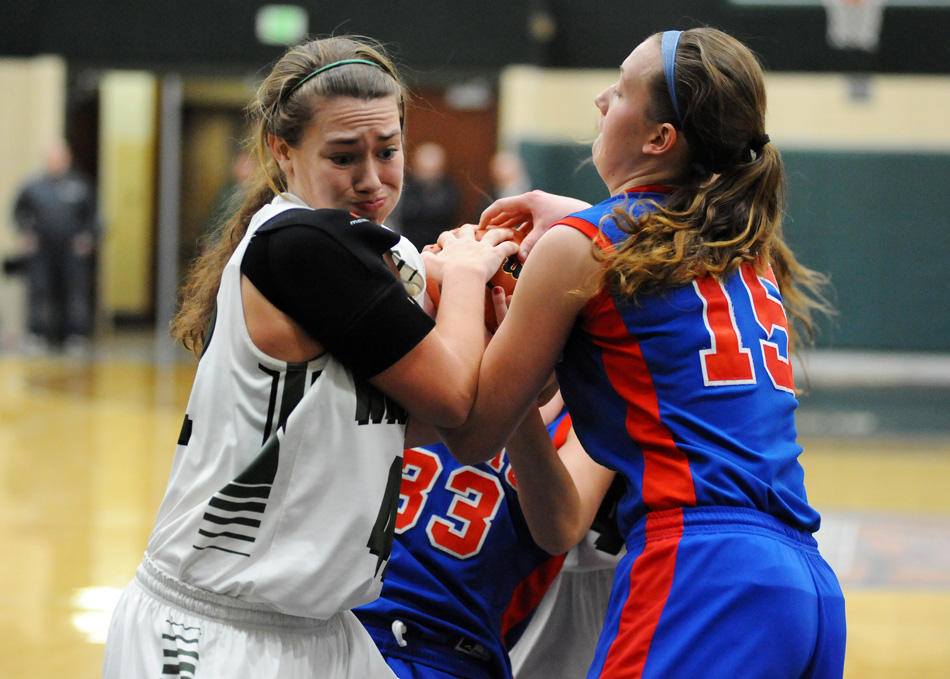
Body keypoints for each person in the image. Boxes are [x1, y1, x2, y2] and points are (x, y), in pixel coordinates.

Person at [433, 27, 846, 679]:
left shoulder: (583, 245)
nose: (601, 98)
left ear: (660, 139)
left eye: (621, 89)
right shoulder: (748, 250)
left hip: (700, 568)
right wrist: (575, 215)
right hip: (806, 587)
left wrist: (462, 282)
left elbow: (476, 432)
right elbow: (646, 251)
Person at [101, 35, 519, 679]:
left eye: (389, 150)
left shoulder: (362, 254)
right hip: (216, 632)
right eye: (344, 156)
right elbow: (455, 396)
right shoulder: (301, 243)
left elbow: (450, 429)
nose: (372, 179)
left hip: (322, 631)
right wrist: (465, 275)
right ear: (282, 150)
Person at [354, 387, 616, 679]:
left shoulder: (594, 411)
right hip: (338, 611)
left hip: (452, 649)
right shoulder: (427, 354)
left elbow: (562, 529)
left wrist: (516, 390)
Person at [12, 139, 98, 354]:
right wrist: (26, 234)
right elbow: (17, 213)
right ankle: (37, 335)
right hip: (42, 251)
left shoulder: (81, 185)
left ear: (67, 159)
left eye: (59, 158)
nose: (55, 162)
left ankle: (76, 336)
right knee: (39, 292)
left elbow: (94, 216)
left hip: (71, 251)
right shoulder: (33, 187)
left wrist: (87, 237)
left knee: (75, 293)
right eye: (51, 158)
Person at [394, 141, 461, 249]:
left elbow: (450, 214)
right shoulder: (405, 189)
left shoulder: (449, 190)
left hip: (441, 246)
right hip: (410, 245)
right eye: (424, 171)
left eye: (433, 171)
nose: (428, 176)